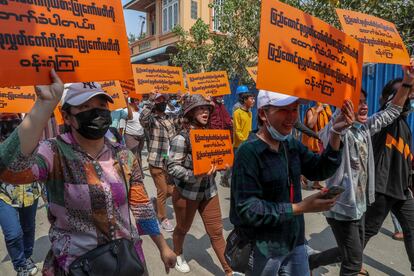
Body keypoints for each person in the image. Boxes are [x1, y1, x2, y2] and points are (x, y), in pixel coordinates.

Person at [0, 76, 176, 275]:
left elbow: (142, 206)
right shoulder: (54, 152)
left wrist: (163, 246)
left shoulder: (124, 155)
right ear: (67, 117)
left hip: (126, 261)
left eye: (101, 105)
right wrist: (44, 105)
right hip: (76, 267)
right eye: (85, 106)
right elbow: (8, 169)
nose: (96, 112)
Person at [230, 90, 354, 275]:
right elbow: (248, 209)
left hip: (295, 241)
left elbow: (320, 169)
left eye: (295, 109)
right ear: (263, 114)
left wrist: (335, 133)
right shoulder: (248, 153)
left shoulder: (291, 145)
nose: (291, 117)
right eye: (283, 110)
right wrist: (300, 207)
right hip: (263, 248)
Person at [309, 82, 411, 275]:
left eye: (365, 102)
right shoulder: (337, 131)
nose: (364, 106)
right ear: (344, 108)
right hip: (342, 209)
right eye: (358, 103)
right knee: (353, 263)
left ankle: (309, 262)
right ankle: (309, 262)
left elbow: (391, 112)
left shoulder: (364, 128)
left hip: (361, 206)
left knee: (351, 256)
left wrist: (407, 82)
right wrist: (337, 126)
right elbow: (328, 136)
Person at [167, 94, 232, 275]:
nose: (205, 112)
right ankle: (178, 254)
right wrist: (195, 175)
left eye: (207, 109)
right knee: (181, 229)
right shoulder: (181, 138)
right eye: (200, 108)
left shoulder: (211, 135)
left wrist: (221, 164)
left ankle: (229, 271)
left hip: (209, 192)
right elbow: (171, 167)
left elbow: (215, 160)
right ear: (190, 111)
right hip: (187, 194)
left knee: (217, 233)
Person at [363, 59, 414, 273]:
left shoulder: (405, 127)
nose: (409, 97)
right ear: (388, 99)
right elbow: (392, 109)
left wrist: (409, 185)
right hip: (381, 189)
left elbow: (406, 162)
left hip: (402, 191)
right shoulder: (381, 122)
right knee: (362, 235)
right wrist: (407, 81)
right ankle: (316, 261)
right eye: (404, 92)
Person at [0, 113, 40, 276]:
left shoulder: (30, 134)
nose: (9, 124)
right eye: (4, 121)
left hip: (29, 191)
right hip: (3, 194)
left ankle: (27, 257)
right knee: (13, 233)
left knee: (28, 228)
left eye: (13, 120)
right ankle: (20, 264)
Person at [140, 93, 180, 232]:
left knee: (171, 190)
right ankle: (162, 218)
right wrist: (151, 101)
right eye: (159, 99)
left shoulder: (170, 118)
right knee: (162, 190)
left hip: (169, 160)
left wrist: (185, 101)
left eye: (164, 99)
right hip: (156, 161)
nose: (162, 101)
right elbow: (142, 117)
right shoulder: (151, 120)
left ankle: (156, 202)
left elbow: (182, 120)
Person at [302, 102, 333, 189]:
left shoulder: (326, 112)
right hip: (312, 141)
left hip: (321, 141)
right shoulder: (311, 111)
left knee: (320, 162)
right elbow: (311, 124)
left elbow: (331, 124)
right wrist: (317, 111)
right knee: (309, 162)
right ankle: (303, 177)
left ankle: (316, 182)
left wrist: (328, 112)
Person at [210, 95, 233, 187]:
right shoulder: (210, 105)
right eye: (219, 96)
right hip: (212, 136)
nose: (221, 97)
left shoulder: (221, 105)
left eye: (221, 96)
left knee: (224, 161)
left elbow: (226, 120)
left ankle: (223, 178)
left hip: (222, 136)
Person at [124, 98, 145, 176]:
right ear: (131, 102)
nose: (137, 102)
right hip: (130, 136)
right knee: (132, 156)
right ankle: (132, 174)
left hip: (141, 136)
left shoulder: (141, 110)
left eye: (138, 100)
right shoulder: (125, 111)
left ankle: (139, 172)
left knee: (139, 154)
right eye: (135, 100)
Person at [233, 85, 255, 150]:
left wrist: (250, 139)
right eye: (252, 99)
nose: (253, 101)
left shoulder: (250, 112)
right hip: (239, 145)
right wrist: (245, 141)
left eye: (254, 99)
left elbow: (249, 128)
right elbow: (237, 129)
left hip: (247, 144)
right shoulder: (237, 110)